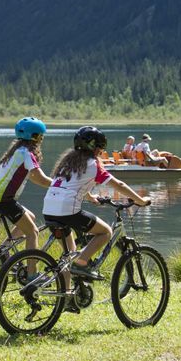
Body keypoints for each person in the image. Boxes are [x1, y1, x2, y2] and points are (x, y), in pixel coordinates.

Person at [42, 126, 150, 308]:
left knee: (68, 254)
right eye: (101, 148)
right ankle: (82, 263)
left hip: (49, 209)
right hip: (68, 211)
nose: (101, 152)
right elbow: (118, 184)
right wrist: (139, 200)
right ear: (96, 148)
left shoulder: (68, 162)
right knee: (105, 232)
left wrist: (90, 197)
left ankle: (67, 297)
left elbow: (72, 184)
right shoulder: (93, 164)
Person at [0, 117, 54, 263]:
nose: (42, 139)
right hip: (4, 200)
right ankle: (31, 274)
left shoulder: (17, 151)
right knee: (32, 232)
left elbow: (34, 177)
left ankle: (3, 251)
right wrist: (61, 186)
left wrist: (52, 184)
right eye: (41, 136)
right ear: (35, 136)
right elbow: (40, 178)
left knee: (31, 217)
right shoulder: (27, 154)